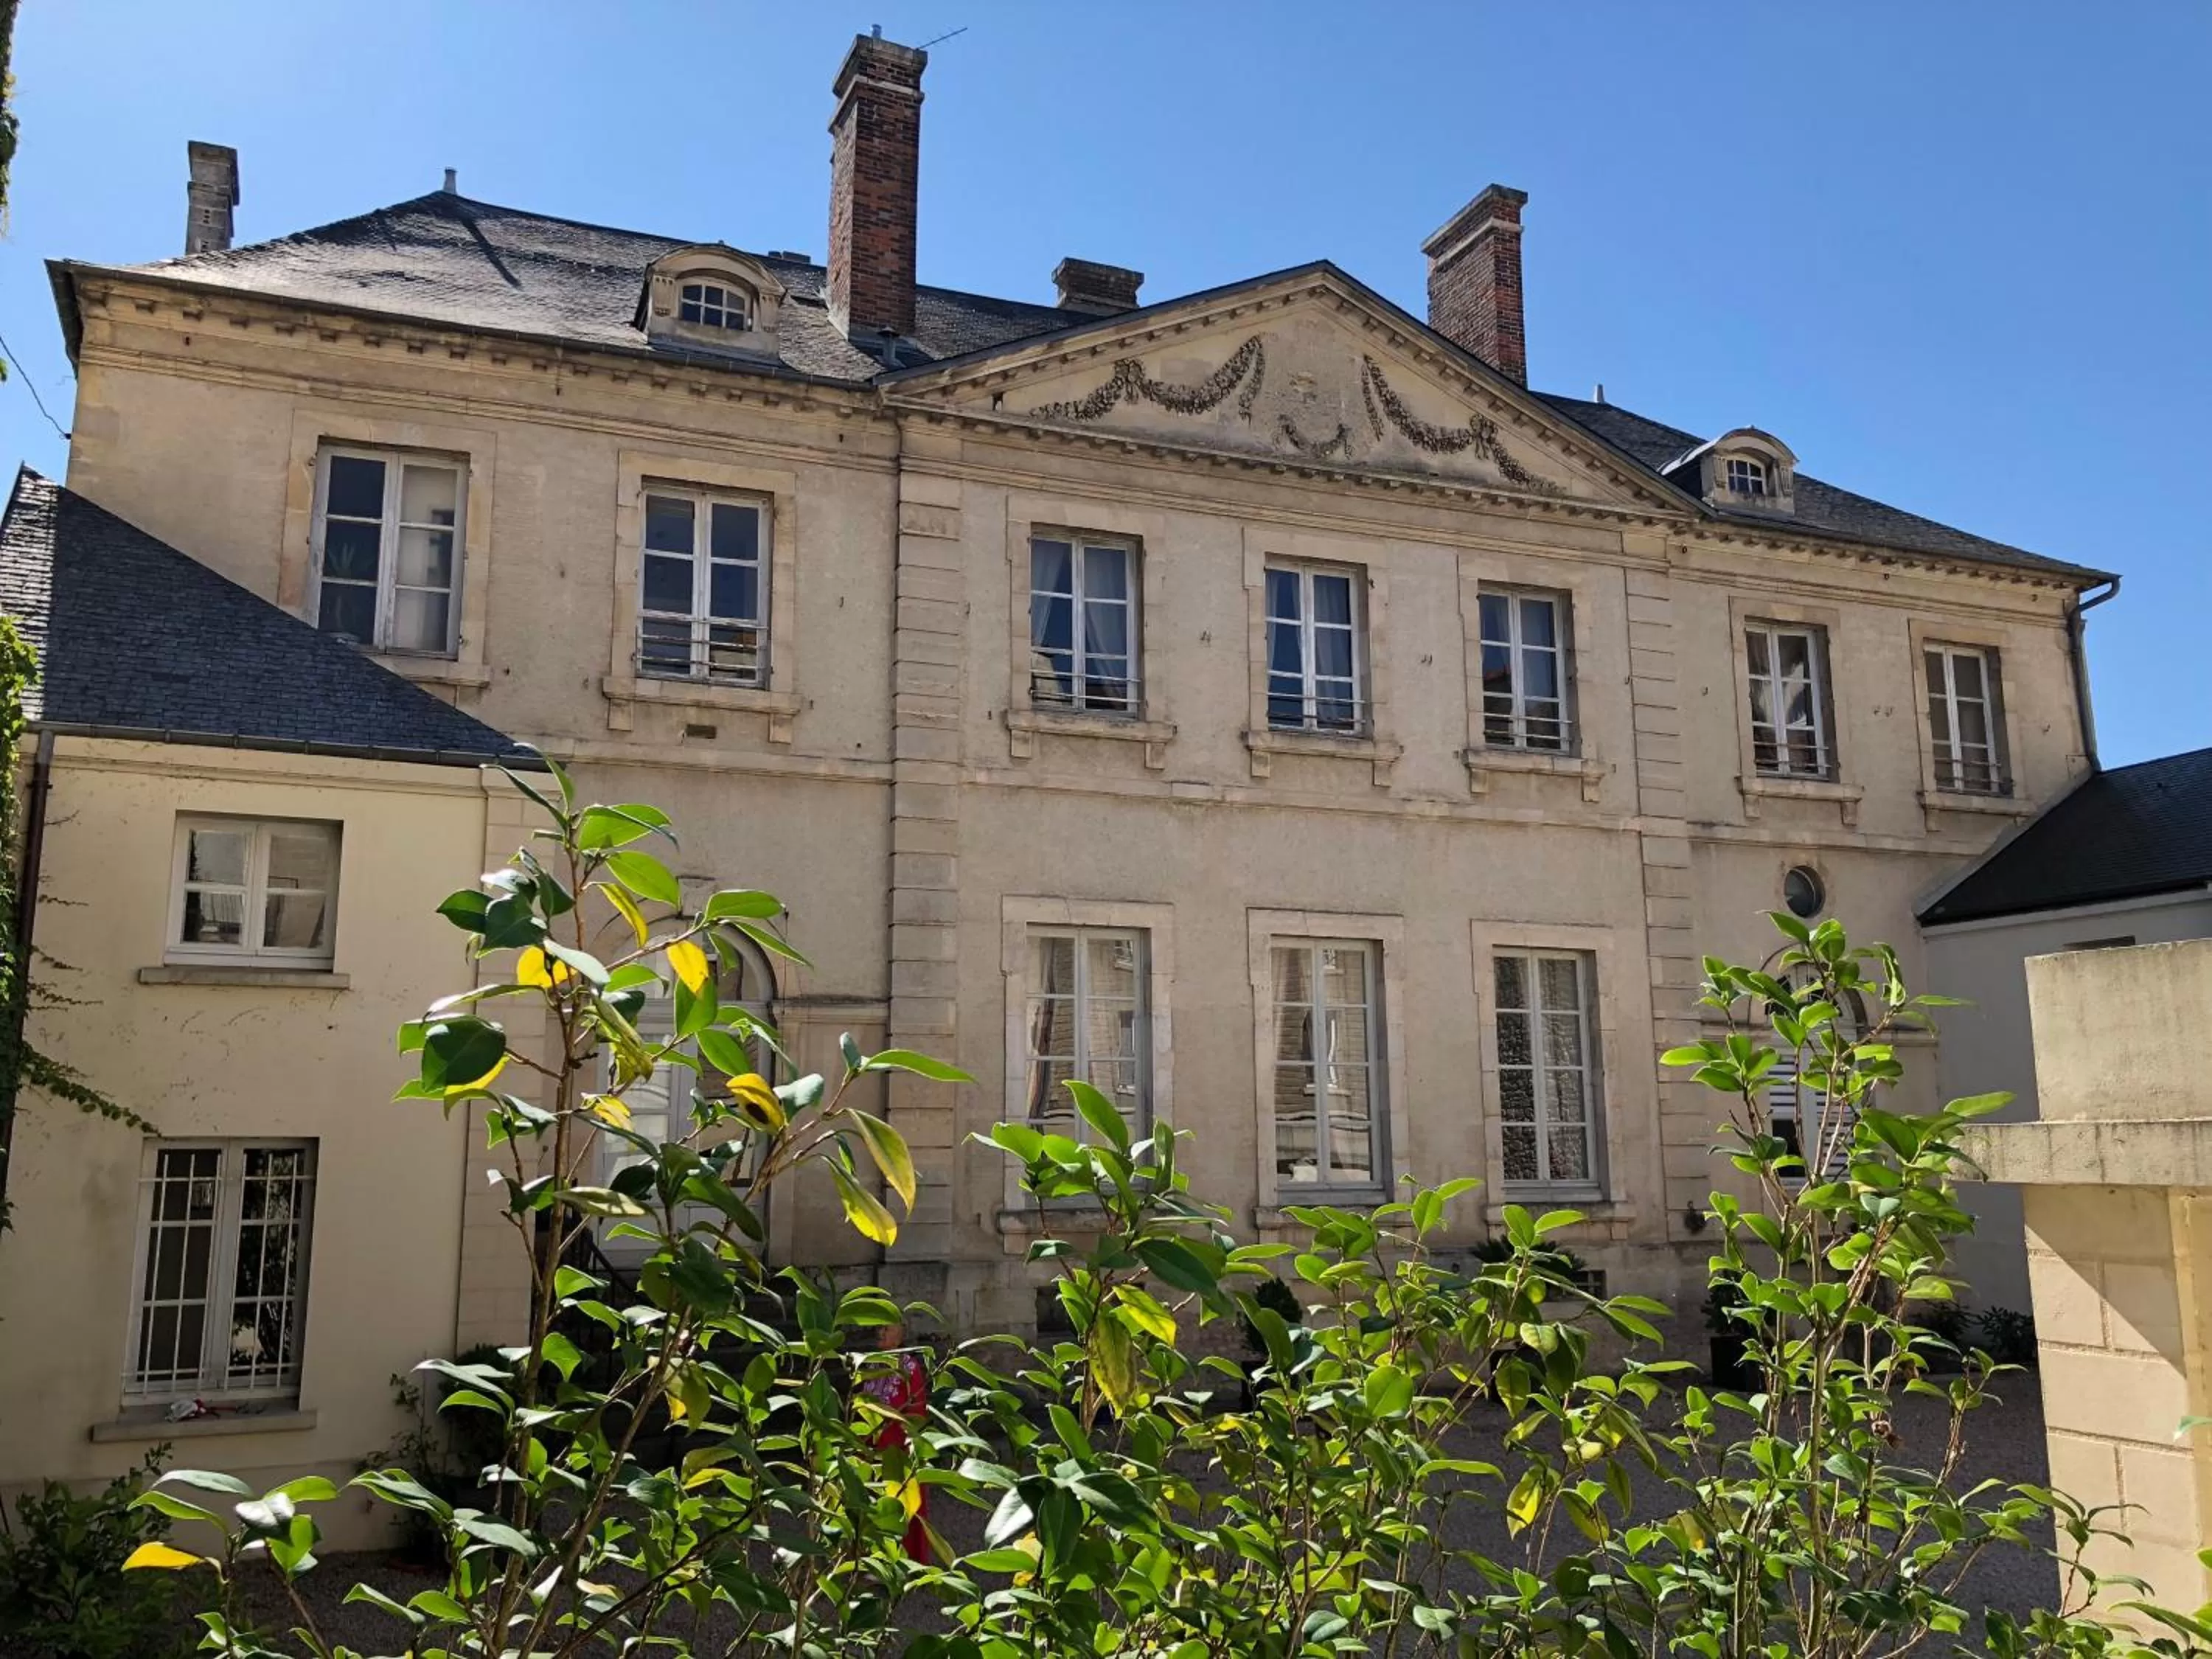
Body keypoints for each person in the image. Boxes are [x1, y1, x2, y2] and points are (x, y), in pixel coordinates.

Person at [858, 1319, 932, 1562]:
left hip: (898, 1452)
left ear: (899, 1336)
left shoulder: (909, 1367)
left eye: (886, 1328)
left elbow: (917, 1411)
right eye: (878, 1327)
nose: (879, 1332)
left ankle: (903, 1562)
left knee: (900, 1508)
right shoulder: (871, 1364)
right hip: (872, 1451)